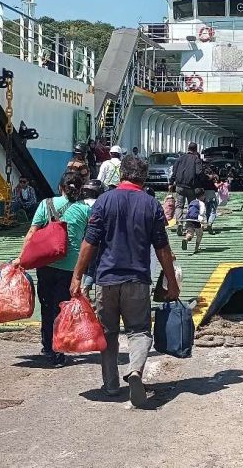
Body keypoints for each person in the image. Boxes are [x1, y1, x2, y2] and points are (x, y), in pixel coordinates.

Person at [71, 155, 180, 406]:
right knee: (139, 330)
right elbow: (162, 247)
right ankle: (135, 371)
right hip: (137, 280)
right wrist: (171, 283)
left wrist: (77, 276)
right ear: (143, 178)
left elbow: (90, 242)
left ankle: (110, 385)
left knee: (107, 333)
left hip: (106, 279)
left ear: (121, 175)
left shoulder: (103, 201)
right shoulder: (151, 205)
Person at [14, 171, 91, 367]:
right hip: (70, 267)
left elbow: (32, 233)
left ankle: (47, 346)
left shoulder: (46, 204)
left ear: (60, 188)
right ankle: (58, 350)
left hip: (45, 263)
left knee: (47, 306)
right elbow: (90, 238)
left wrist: (21, 258)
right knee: (62, 308)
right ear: (80, 190)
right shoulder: (85, 210)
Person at [170, 142, 207, 235]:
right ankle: (189, 227)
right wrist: (203, 181)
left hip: (179, 186)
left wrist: (171, 182)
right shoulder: (196, 159)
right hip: (191, 187)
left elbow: (174, 171)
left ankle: (179, 223)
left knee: (179, 206)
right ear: (196, 150)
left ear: (188, 148)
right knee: (191, 206)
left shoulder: (180, 158)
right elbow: (199, 173)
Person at [182, 187, 206, 252]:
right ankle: (196, 248)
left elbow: (188, 210)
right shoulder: (201, 203)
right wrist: (202, 221)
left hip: (188, 219)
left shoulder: (192, 202)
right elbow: (202, 212)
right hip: (196, 220)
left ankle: (186, 239)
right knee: (199, 234)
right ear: (202, 196)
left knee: (190, 233)